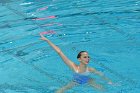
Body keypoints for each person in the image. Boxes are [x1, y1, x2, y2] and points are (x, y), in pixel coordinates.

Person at [40, 33, 113, 93]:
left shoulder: (90, 69)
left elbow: (101, 74)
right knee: (58, 91)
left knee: (103, 90)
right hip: (76, 81)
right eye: (85, 57)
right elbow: (59, 52)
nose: (87, 59)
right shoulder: (73, 67)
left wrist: (109, 81)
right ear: (79, 59)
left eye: (88, 57)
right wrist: (47, 40)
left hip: (88, 80)